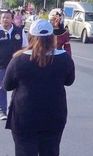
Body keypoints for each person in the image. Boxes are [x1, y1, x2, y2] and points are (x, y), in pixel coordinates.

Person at [3, 19, 75, 156]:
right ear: (52, 37)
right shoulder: (64, 58)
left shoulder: (18, 60)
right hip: (53, 116)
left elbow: (7, 85)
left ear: (30, 37)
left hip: (24, 117)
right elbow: (69, 81)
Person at [0, 9, 24, 121]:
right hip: (1, 66)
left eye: (7, 17)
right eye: (3, 17)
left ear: (12, 19)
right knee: (2, 88)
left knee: (19, 88)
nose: (5, 20)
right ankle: (2, 110)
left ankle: (14, 109)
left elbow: (25, 47)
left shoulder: (19, 31)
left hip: (17, 66)